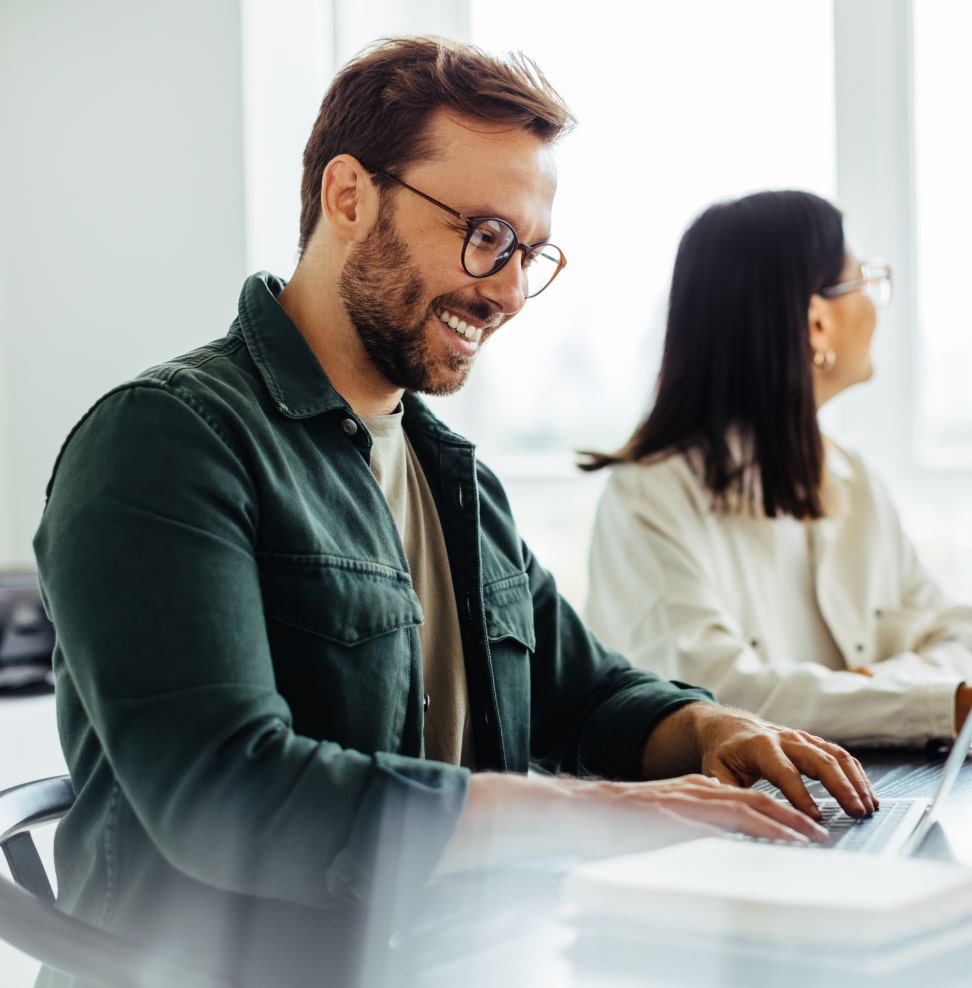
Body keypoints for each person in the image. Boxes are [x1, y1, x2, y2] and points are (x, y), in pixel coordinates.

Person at [33, 43, 875, 988]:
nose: (510, 291)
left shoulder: (449, 474)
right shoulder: (165, 440)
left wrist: (713, 731)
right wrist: (602, 815)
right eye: (484, 235)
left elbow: (586, 692)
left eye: (529, 252)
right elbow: (230, 798)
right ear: (348, 197)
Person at [582, 189, 972, 750]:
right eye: (866, 283)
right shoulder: (649, 495)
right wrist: (929, 702)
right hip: (726, 820)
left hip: (871, 787)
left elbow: (955, 631)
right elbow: (714, 695)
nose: (875, 308)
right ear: (817, 324)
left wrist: (877, 687)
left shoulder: (852, 475)